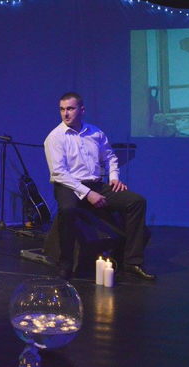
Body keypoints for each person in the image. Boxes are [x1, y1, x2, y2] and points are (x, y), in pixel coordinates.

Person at [43, 92, 155, 281]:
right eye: (62, 109)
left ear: (82, 110)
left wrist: (114, 177)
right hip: (68, 185)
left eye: (70, 109)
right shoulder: (55, 137)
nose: (65, 113)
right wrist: (88, 194)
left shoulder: (95, 133)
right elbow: (59, 173)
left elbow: (110, 157)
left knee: (136, 201)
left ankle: (132, 262)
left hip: (95, 183)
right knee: (68, 209)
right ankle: (65, 265)